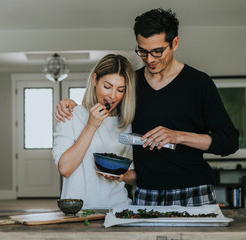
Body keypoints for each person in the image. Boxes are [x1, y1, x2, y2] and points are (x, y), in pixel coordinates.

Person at [54, 8, 239, 207]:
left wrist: (179, 136)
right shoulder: (131, 84)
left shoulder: (199, 83)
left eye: (157, 51)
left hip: (194, 188)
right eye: (143, 51)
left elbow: (229, 141)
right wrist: (71, 104)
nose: (150, 59)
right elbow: (106, 102)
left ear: (174, 43)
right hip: (146, 192)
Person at [52, 54, 136, 209]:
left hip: (118, 208)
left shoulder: (126, 123)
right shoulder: (70, 115)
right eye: (107, 86)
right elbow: (65, 169)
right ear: (95, 79)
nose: (112, 96)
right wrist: (91, 126)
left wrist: (120, 176)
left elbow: (134, 176)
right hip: (78, 210)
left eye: (120, 90)